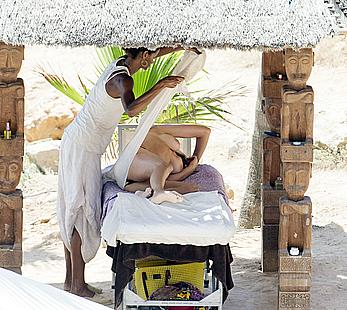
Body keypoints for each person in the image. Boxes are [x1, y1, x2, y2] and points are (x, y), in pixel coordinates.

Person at [57, 47, 189, 297]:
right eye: (150, 55)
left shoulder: (124, 62)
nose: (153, 58)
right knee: (79, 209)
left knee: (73, 208)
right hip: (82, 147)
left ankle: (70, 281)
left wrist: (180, 48)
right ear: (142, 56)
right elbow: (131, 109)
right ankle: (76, 285)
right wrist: (160, 85)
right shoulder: (123, 79)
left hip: (81, 143)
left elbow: (153, 52)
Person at [124, 124, 211, 203]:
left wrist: (191, 168)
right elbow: (205, 132)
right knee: (164, 165)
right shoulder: (156, 131)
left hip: (144, 177)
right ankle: (158, 192)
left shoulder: (170, 165)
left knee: (190, 188)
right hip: (134, 158)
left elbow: (163, 178)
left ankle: (148, 193)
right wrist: (196, 158)